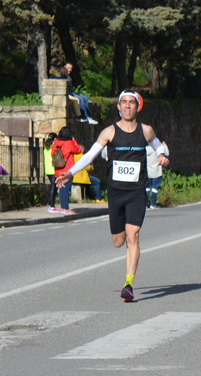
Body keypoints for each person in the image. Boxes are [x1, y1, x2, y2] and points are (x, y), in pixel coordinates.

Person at [57, 90, 170, 302]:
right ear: (118, 107)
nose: (127, 106)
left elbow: (158, 145)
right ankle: (125, 255)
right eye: (124, 103)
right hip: (116, 192)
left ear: (138, 107)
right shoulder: (109, 132)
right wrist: (70, 172)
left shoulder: (146, 131)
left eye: (131, 103)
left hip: (137, 191)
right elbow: (90, 154)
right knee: (119, 242)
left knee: (133, 235)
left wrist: (162, 155)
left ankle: (128, 284)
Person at [50, 126, 83, 214]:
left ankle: (63, 207)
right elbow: (78, 150)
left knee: (61, 188)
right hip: (67, 169)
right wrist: (73, 140)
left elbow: (53, 153)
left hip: (58, 168)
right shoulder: (69, 143)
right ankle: (65, 208)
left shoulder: (56, 142)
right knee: (65, 188)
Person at [146, 141, 168, 209]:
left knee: (147, 188)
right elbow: (167, 153)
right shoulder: (158, 149)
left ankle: (145, 204)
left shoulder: (146, 149)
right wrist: (165, 146)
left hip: (148, 172)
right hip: (157, 172)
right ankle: (153, 203)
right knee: (155, 189)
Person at [42, 131, 58, 208]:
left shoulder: (46, 147)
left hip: (48, 169)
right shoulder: (53, 147)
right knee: (53, 187)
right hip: (53, 169)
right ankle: (51, 204)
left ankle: (51, 203)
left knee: (53, 186)